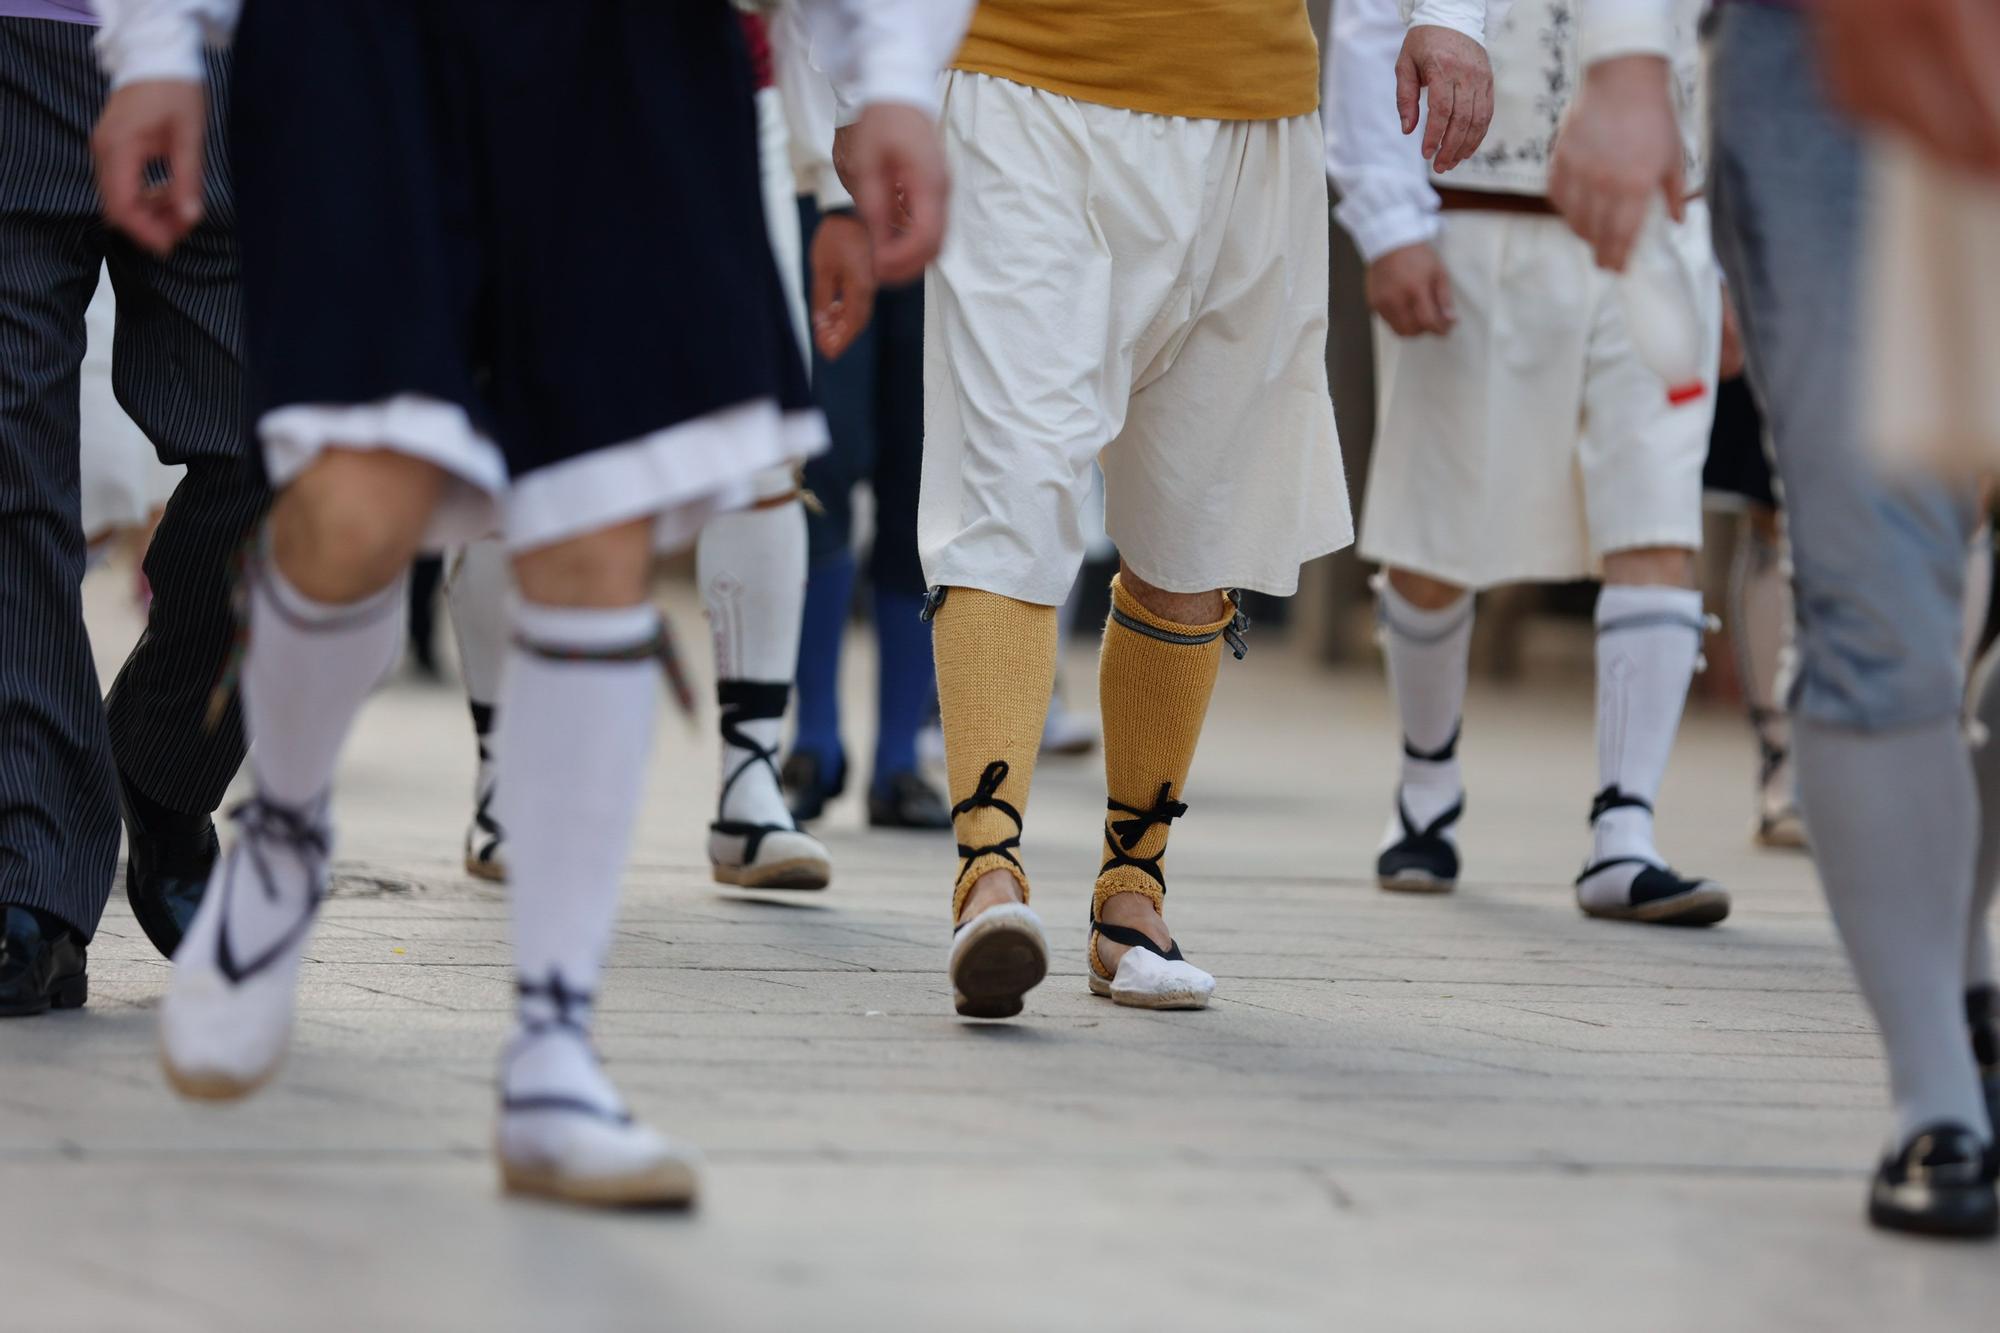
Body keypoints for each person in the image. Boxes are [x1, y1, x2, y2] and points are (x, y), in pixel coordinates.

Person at [91, 0, 968, 1207]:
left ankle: (555, 1048)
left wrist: (893, 75)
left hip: (632, 48)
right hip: (362, 40)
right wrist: (152, 45)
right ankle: (284, 838)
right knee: (349, 506)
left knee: (593, 525)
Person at [907, 0, 1499, 1020]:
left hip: (1252, 106)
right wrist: (861, 87)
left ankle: (1131, 895)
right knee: (1007, 480)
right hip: (1025, 80)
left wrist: (1445, 15)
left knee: (1199, 521)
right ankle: (986, 877)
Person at [1549, 0, 1999, 1238]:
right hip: (1844, 56)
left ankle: (1958, 963)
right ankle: (1937, 1096)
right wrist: (1624, 66)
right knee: (1873, 589)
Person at [1327, 0, 1726, 924]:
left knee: (1655, 506)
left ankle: (1626, 828)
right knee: (1434, 529)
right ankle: (1427, 788)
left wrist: (1730, 257)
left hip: (1662, 218)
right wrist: (1388, 223)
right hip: (1471, 214)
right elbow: (1370, 21)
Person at [446, 6, 838, 893]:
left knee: (761, 445)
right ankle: (504, 769)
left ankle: (751, 778)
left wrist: (849, 144)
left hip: (721, 79)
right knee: (505, 438)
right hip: (510, 75)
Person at [0, 0, 269, 1018]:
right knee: (9, 475)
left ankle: (161, 761)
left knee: (290, 454)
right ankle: (31, 881)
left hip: (225, 52)